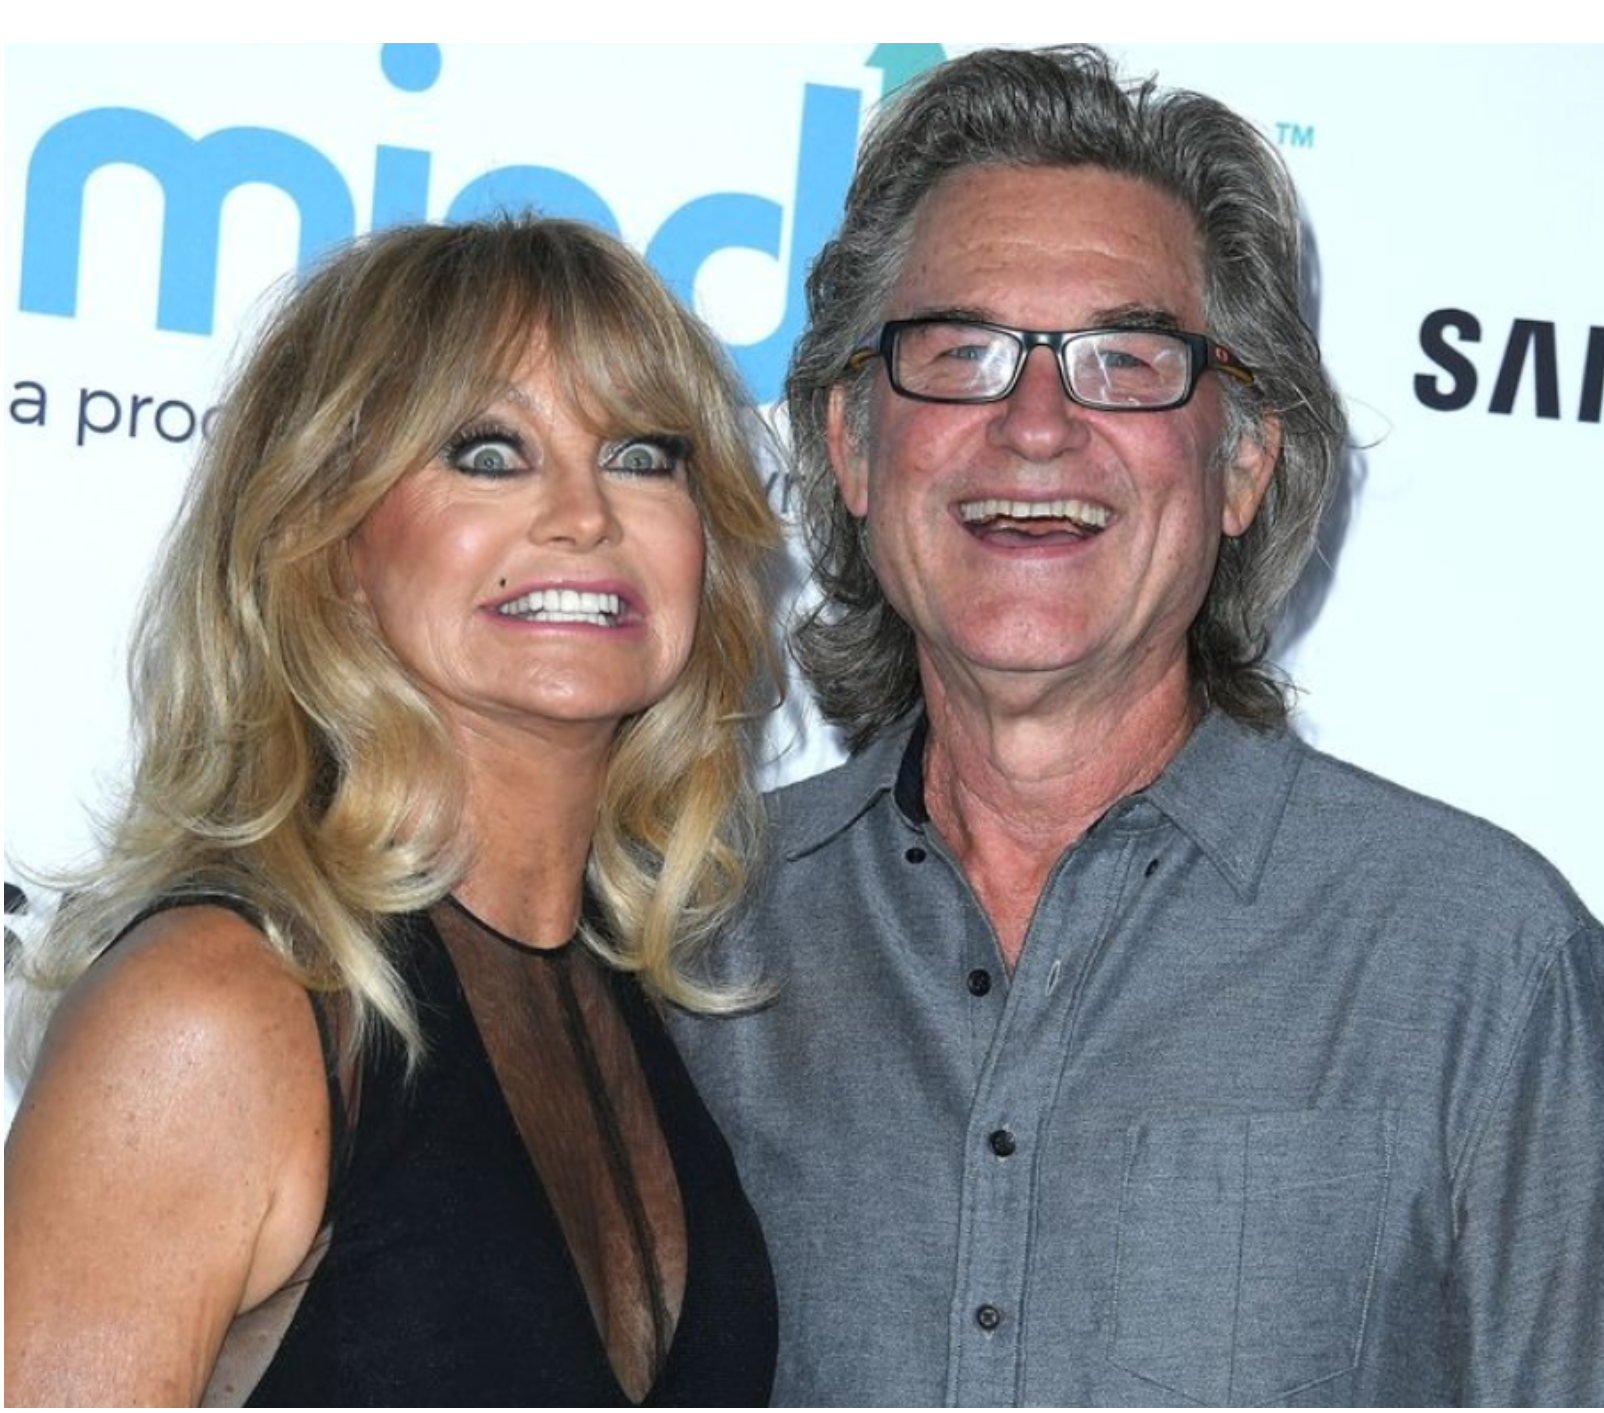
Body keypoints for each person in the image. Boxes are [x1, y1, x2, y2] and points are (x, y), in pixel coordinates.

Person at [670, 45, 1604, 1406]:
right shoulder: (688, 934)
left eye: (1125, 360)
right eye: (961, 354)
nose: (1035, 425)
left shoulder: (1484, 966)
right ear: (854, 446)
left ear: (1242, 463)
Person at [5, 217, 781, 1406]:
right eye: (487, 452)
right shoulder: (215, 1008)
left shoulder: (647, 1013)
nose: (585, 515)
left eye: (640, 454)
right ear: (327, 541)